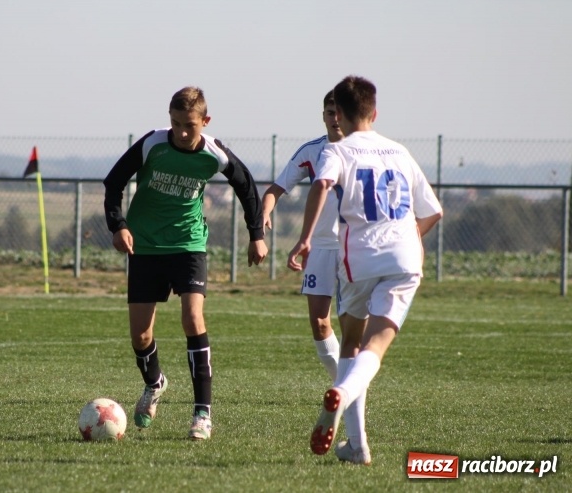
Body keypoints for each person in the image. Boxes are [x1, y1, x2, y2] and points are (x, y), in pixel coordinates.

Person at [287, 76, 442, 464]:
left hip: (358, 260)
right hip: (404, 259)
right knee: (375, 347)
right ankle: (350, 426)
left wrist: (305, 238)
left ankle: (350, 427)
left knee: (352, 343)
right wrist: (408, 239)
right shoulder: (399, 151)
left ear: (337, 113)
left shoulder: (338, 150)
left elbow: (321, 185)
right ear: (374, 112)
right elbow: (433, 211)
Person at [103, 86, 268, 441]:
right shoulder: (152, 144)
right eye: (175, 123)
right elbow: (114, 183)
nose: (180, 132)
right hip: (145, 246)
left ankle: (202, 413)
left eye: (189, 126)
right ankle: (155, 383)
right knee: (140, 334)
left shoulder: (214, 152)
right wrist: (119, 225)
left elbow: (247, 186)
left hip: (188, 245)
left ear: (204, 122)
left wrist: (257, 234)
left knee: (193, 317)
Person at [261, 91, 344, 383]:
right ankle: (344, 386)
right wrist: (265, 213)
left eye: (340, 111)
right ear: (323, 116)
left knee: (353, 324)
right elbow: (275, 190)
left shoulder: (365, 150)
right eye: (330, 112)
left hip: (354, 247)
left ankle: (350, 389)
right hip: (320, 248)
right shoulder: (312, 151)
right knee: (320, 324)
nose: (335, 118)